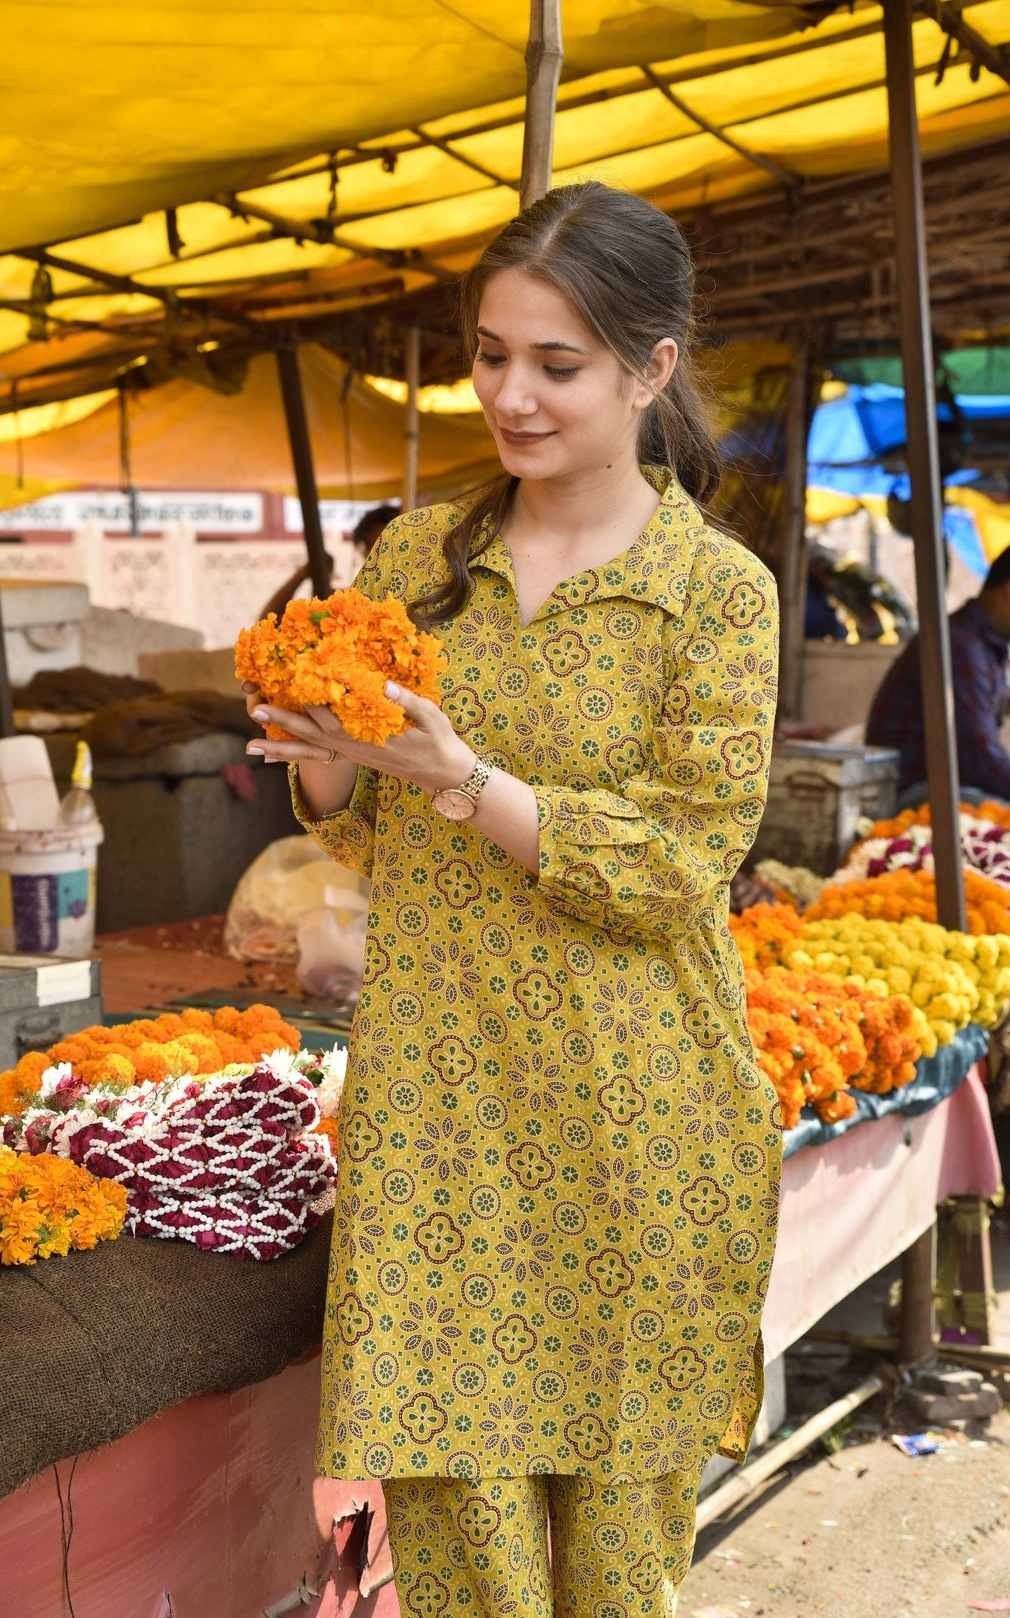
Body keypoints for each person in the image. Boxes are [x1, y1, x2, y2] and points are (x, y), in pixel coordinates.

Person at [243, 182, 779, 1618]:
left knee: (617, 1574)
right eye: (490, 355)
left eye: (558, 364)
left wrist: (460, 773)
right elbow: (354, 815)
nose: (512, 397)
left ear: (651, 367)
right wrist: (326, 757)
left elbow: (681, 865)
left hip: (637, 1125)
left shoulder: (717, 595)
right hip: (442, 1124)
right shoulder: (418, 558)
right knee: (464, 1570)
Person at [866, 545, 1010, 804]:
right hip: (913, 793)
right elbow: (979, 758)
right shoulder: (961, 644)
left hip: (948, 787)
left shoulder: (983, 644)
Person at [258, 503, 398, 621]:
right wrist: (302, 574)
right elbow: (267, 623)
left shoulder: (415, 598)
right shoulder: (348, 600)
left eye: (385, 545)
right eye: (370, 545)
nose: (376, 553)